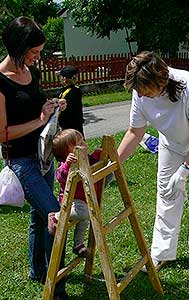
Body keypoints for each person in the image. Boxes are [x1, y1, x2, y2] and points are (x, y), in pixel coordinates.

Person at [117, 51, 189, 280]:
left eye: (145, 91)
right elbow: (135, 132)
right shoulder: (140, 92)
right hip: (171, 143)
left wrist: (185, 169)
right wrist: (114, 163)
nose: (141, 95)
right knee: (166, 194)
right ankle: (162, 252)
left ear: (160, 82)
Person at [0, 16, 68, 299]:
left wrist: (51, 106)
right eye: (34, 52)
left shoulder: (32, 72)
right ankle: (57, 287)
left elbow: (34, 105)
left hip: (43, 155)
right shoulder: (1, 82)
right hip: (20, 162)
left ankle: (37, 270)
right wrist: (41, 120)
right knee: (55, 214)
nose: (38, 57)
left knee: (39, 217)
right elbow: (2, 134)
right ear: (18, 47)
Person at [49, 129, 102, 257]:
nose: (85, 145)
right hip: (72, 200)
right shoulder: (64, 166)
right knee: (84, 214)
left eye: (83, 141)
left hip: (84, 197)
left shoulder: (84, 159)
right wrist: (67, 164)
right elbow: (60, 177)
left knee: (83, 221)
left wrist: (98, 154)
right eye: (80, 144)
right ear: (67, 153)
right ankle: (55, 216)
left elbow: (92, 161)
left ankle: (78, 244)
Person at [57, 65, 84, 137]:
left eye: (61, 76)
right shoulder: (69, 90)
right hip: (69, 125)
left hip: (71, 126)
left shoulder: (73, 91)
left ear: (64, 78)